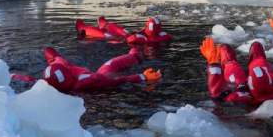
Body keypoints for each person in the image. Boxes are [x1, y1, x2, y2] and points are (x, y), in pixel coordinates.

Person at [200, 8, 273, 103]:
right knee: (257, 51)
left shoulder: (242, 96)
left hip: (240, 83)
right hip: (265, 81)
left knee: (230, 63)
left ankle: (227, 62)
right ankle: (256, 60)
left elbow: (216, 93)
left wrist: (213, 64)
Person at [10, 46, 162, 93]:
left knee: (51, 53)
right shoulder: (89, 81)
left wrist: (14, 76)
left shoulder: (50, 84)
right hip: (85, 74)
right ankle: (135, 56)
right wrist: (143, 77)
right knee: (110, 65)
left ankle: (52, 57)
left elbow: (31, 80)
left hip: (66, 71)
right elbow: (118, 79)